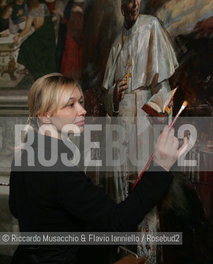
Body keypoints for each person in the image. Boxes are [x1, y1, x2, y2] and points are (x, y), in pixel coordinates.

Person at [9, 73, 187, 264]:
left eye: (80, 102)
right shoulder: (59, 168)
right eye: (71, 105)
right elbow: (117, 221)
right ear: (45, 115)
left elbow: (17, 209)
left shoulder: (25, 154)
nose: (82, 110)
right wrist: (160, 166)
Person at [102, 0, 179, 261]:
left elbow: (163, 86)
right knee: (124, 191)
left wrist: (162, 116)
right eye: (129, 0)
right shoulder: (116, 42)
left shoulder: (152, 28)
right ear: (122, 6)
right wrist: (114, 95)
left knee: (146, 191)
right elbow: (108, 97)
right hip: (123, 124)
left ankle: (147, 256)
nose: (134, 4)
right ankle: (126, 254)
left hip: (146, 121)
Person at [14, 0, 56, 79]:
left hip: (41, 36)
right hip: (49, 36)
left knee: (25, 46)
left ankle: (30, 69)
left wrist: (18, 36)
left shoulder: (32, 11)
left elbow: (27, 29)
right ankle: (33, 70)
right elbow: (43, 22)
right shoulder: (44, 7)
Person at [60, 0, 84, 80]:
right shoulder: (71, 4)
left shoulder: (86, 4)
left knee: (80, 55)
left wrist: (80, 10)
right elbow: (65, 19)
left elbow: (92, 18)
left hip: (82, 32)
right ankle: (68, 77)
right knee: (70, 53)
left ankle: (79, 77)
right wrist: (61, 15)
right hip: (71, 32)